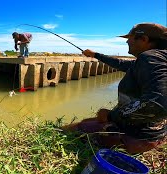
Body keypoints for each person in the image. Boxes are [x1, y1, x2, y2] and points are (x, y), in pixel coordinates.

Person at [63, 23, 167, 154]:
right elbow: (121, 64)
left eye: (130, 38)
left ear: (144, 39)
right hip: (154, 133)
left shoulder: (150, 58)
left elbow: (158, 103)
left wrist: (112, 115)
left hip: (137, 138)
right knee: (87, 121)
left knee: (69, 130)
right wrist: (95, 55)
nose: (127, 42)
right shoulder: (158, 59)